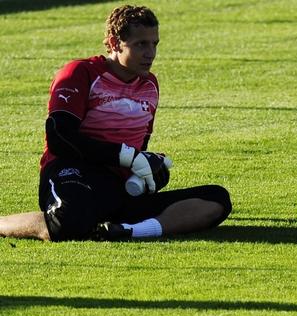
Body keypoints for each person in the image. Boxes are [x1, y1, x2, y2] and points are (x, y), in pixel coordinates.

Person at [0, 5, 231, 241]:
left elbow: (138, 148)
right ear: (114, 43)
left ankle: (128, 231)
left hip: (118, 185)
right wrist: (127, 156)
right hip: (72, 173)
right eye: (141, 44)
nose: (151, 53)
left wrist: (149, 169)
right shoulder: (80, 72)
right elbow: (60, 137)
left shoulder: (150, 85)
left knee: (216, 199)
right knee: (68, 222)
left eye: (155, 44)